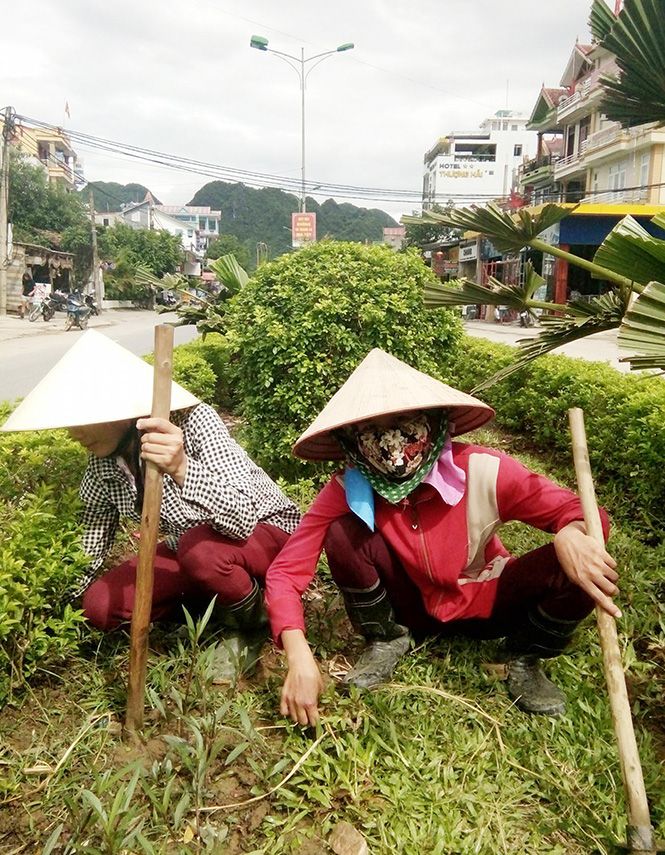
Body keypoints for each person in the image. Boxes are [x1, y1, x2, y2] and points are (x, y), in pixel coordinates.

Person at [265, 348, 618, 724]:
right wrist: (298, 652)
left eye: (403, 419)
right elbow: (286, 572)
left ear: (433, 422)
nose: (391, 440)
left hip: (490, 601)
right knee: (341, 532)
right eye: (372, 428)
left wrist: (572, 532)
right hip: (410, 608)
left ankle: (525, 655)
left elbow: (586, 514)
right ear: (352, 441)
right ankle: (385, 639)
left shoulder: (484, 468)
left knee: (582, 559)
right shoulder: (346, 489)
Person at [1, 330, 301, 680]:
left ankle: (251, 625)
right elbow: (90, 547)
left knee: (200, 552)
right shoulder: (102, 468)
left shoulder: (193, 422)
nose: (74, 434)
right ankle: (222, 604)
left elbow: (242, 518)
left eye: (81, 420)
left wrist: (182, 468)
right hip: (192, 548)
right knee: (99, 606)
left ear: (122, 412)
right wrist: (44, 612)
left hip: (266, 534)